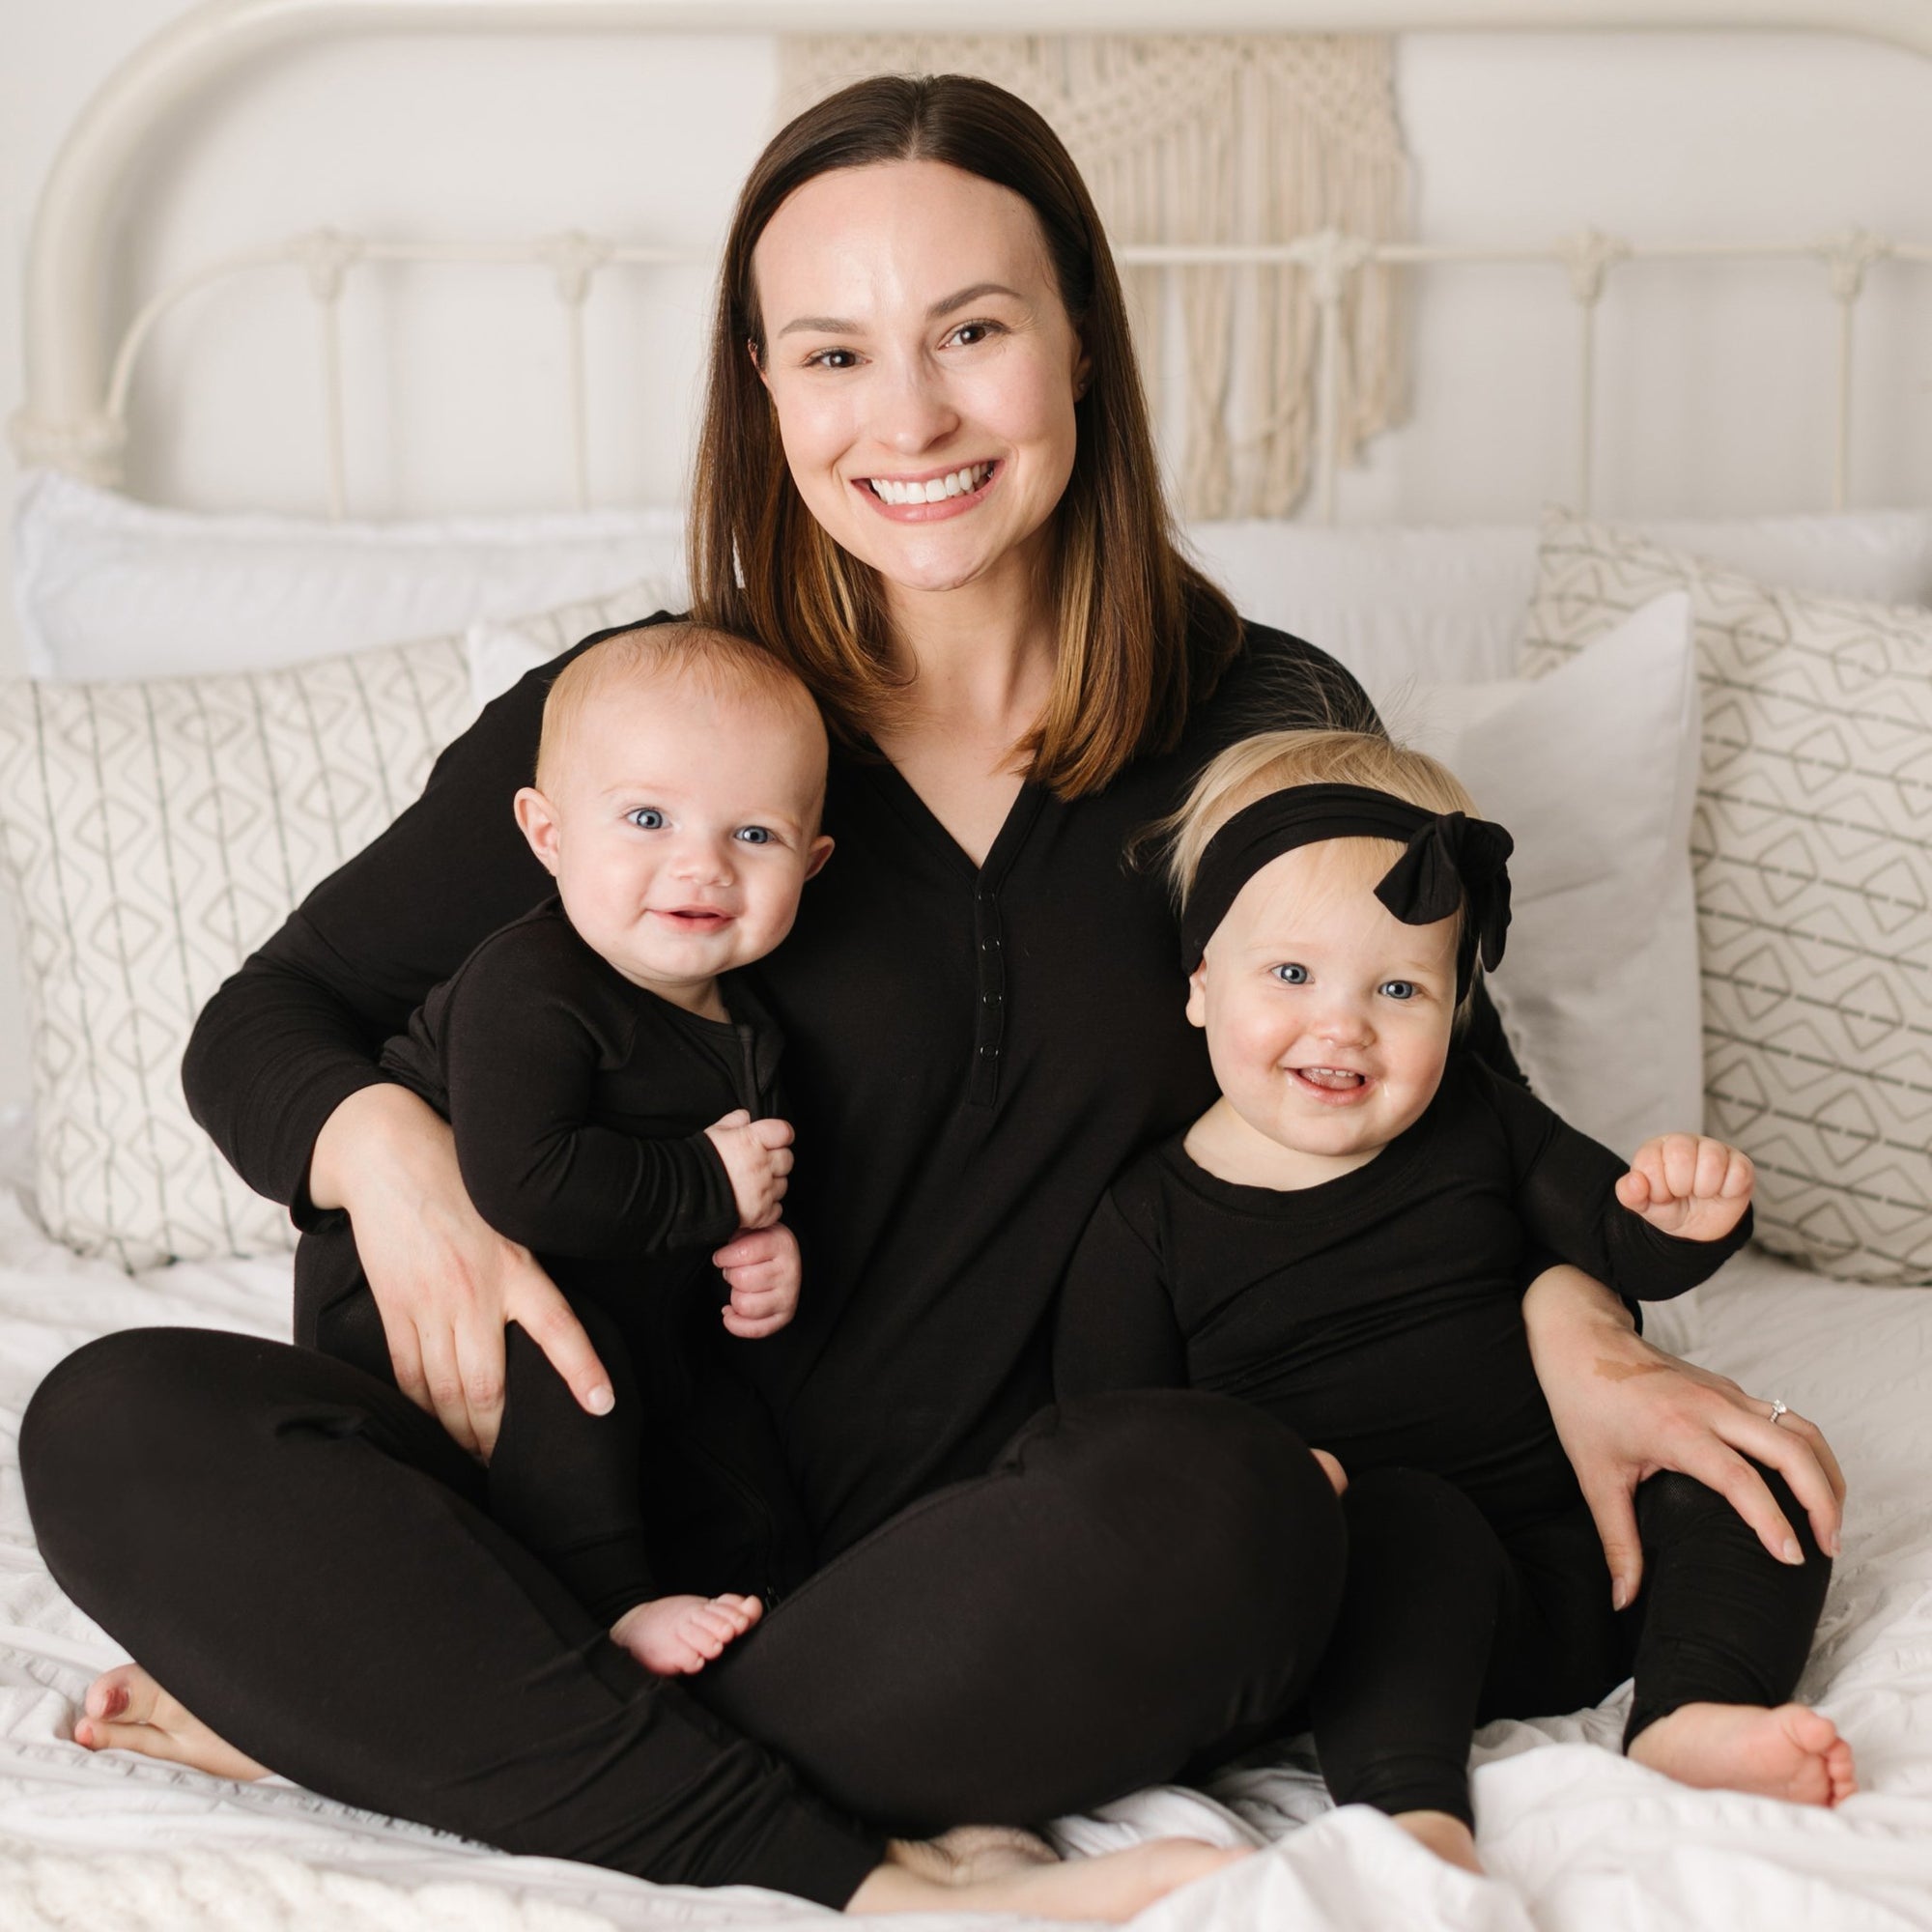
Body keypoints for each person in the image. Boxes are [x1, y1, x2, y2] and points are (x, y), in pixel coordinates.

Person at [17, 71, 1844, 1918]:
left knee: (1253, 1509)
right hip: (595, 1532)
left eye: (972, 330)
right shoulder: (664, 734)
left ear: (1079, 347)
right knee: (104, 1422)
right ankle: (861, 1869)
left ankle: (417, 1711)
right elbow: (275, 1015)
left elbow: (1444, 1103)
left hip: (1000, 1583)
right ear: (762, 386)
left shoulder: (1259, 716)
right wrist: (392, 1165)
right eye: (831, 354)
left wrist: (1584, 1331)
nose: (909, 417)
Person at [1055, 727, 1851, 1875]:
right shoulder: (1147, 1220)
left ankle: (1690, 1710)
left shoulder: (1479, 1117)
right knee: (1401, 1516)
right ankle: (1409, 1805)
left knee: (1757, 1453)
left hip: (1598, 1555)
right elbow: (1110, 1439)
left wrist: (1687, 1212)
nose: (1342, 1022)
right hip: (1379, 1605)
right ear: (1197, 985)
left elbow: (1616, 1240)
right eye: (1290, 974)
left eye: (1397, 986)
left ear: (1456, 1003)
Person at [296, 622, 834, 1675]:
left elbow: (744, 1183)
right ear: (546, 834)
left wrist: (766, 1246)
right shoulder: (527, 986)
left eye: (755, 836)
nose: (701, 864)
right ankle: (603, 1605)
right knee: (572, 1362)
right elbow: (523, 1181)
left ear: (812, 862)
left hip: (621, 1290)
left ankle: (771, 1585)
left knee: (725, 1423)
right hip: (430, 1293)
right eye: (646, 817)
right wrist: (704, 1186)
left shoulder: (748, 1020)